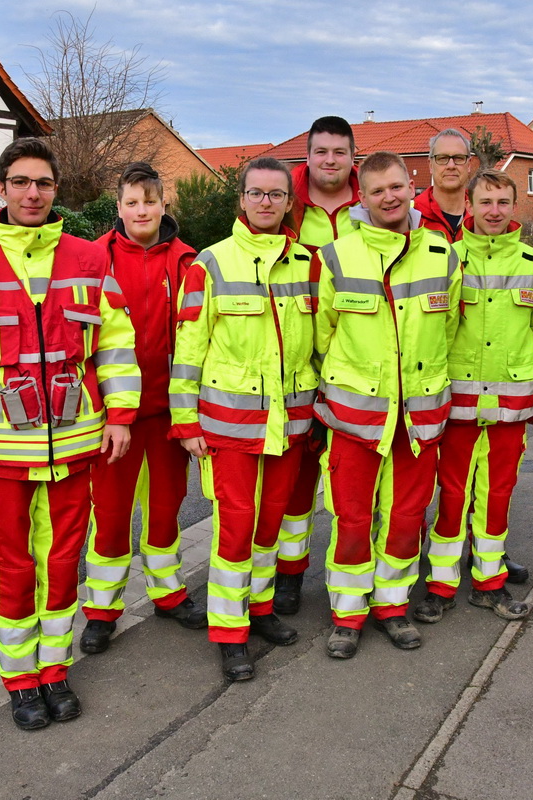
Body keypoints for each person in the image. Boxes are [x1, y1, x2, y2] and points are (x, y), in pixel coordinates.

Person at [0, 137, 140, 730]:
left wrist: (120, 415)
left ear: (56, 189)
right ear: (1, 188)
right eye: (20, 182)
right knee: (12, 566)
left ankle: (54, 670)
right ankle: (19, 681)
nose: (32, 193)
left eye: (42, 183)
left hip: (75, 448)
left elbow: (117, 348)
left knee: (63, 561)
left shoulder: (90, 262)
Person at [170, 157, 317, 681]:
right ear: (241, 199)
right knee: (234, 530)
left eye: (276, 195)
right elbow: (188, 351)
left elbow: (319, 348)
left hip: (292, 425)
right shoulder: (209, 264)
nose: (265, 203)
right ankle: (229, 633)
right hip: (228, 429)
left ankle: (259, 608)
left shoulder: (309, 264)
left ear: (288, 202)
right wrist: (186, 423)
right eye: (256, 193)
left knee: (269, 526)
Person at [314, 151, 461, 659]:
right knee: (352, 520)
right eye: (377, 191)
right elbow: (321, 335)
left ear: (410, 183)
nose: (389, 197)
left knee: (405, 516)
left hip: (418, 418)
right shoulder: (337, 255)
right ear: (363, 197)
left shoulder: (443, 253)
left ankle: (392, 606)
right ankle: (348, 614)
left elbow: (450, 330)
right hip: (357, 418)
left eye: (396, 186)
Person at [79, 162, 206, 654]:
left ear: (164, 205)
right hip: (114, 416)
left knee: (165, 510)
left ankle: (168, 593)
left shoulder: (189, 261)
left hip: (170, 413)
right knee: (109, 514)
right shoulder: (93, 260)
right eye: (131, 202)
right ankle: (102, 610)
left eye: (149, 201)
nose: (141, 211)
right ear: (118, 208)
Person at [414, 170, 533, 625]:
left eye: (503, 202)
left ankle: (489, 585)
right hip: (459, 404)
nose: (494, 211)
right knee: (451, 496)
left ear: (515, 206)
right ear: (468, 203)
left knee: (497, 497)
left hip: (511, 405)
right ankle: (441, 586)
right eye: (485, 201)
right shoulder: (446, 259)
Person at [274, 115, 362, 616]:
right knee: (297, 479)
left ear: (354, 157)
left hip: (357, 359)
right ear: (307, 156)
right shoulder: (285, 202)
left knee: (362, 479)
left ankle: (364, 570)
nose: (330, 160)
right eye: (321, 151)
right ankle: (289, 575)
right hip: (296, 357)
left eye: (339, 152)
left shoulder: (372, 203)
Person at [412, 128, 474, 243]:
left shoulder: (483, 215)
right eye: (442, 158)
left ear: (469, 165)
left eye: (459, 158)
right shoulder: (411, 216)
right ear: (430, 165)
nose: (451, 165)